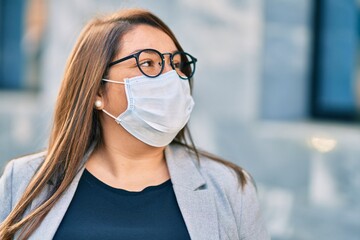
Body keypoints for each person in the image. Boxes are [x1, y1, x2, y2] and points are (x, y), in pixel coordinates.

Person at [0, 8, 269, 240]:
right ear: (97, 91)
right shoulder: (24, 180)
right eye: (148, 63)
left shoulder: (228, 186)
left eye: (177, 64)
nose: (172, 78)